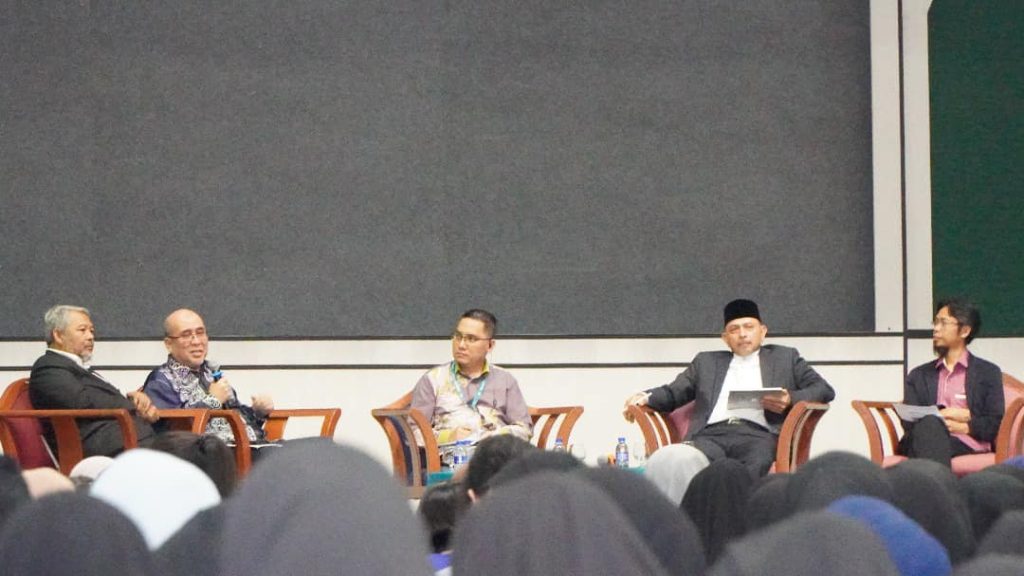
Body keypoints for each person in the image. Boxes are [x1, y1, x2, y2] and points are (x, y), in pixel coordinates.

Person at [623, 299, 834, 476]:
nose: (742, 334)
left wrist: (790, 398)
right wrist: (643, 397)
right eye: (734, 329)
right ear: (725, 338)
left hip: (758, 436)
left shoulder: (785, 358)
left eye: (749, 327)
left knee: (754, 464)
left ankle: (743, 513)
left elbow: (824, 389)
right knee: (683, 460)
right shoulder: (706, 363)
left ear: (763, 332)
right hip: (711, 435)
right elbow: (673, 393)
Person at [29, 305, 158, 457]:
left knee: (179, 443)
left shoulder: (75, 367)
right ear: (58, 335)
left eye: (91, 331)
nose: (90, 336)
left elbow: (97, 397)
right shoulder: (48, 367)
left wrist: (132, 399)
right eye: (82, 330)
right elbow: (82, 402)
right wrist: (132, 406)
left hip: (127, 440)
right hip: (97, 449)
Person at [142, 309, 274, 445]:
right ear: (169, 344)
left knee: (286, 451)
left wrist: (257, 412)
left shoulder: (211, 372)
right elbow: (175, 431)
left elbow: (237, 416)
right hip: (207, 453)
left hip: (246, 446)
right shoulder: (161, 380)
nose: (196, 341)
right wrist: (213, 401)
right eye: (186, 335)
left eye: (200, 333)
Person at [898, 298, 1004, 467]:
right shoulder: (918, 375)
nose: (936, 328)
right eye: (935, 322)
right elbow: (908, 422)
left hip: (965, 444)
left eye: (943, 323)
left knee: (930, 443)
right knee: (930, 430)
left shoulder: (988, 373)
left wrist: (966, 426)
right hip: (923, 438)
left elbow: (994, 423)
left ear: (965, 331)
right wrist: (945, 416)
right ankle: (941, 482)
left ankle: (932, 481)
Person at [411, 309, 531, 451]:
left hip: (497, 454)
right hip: (452, 457)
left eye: (471, 339)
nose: (461, 345)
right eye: (458, 336)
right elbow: (413, 433)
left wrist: (494, 437)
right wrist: (449, 436)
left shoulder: (505, 380)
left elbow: (524, 429)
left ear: (490, 345)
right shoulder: (433, 379)